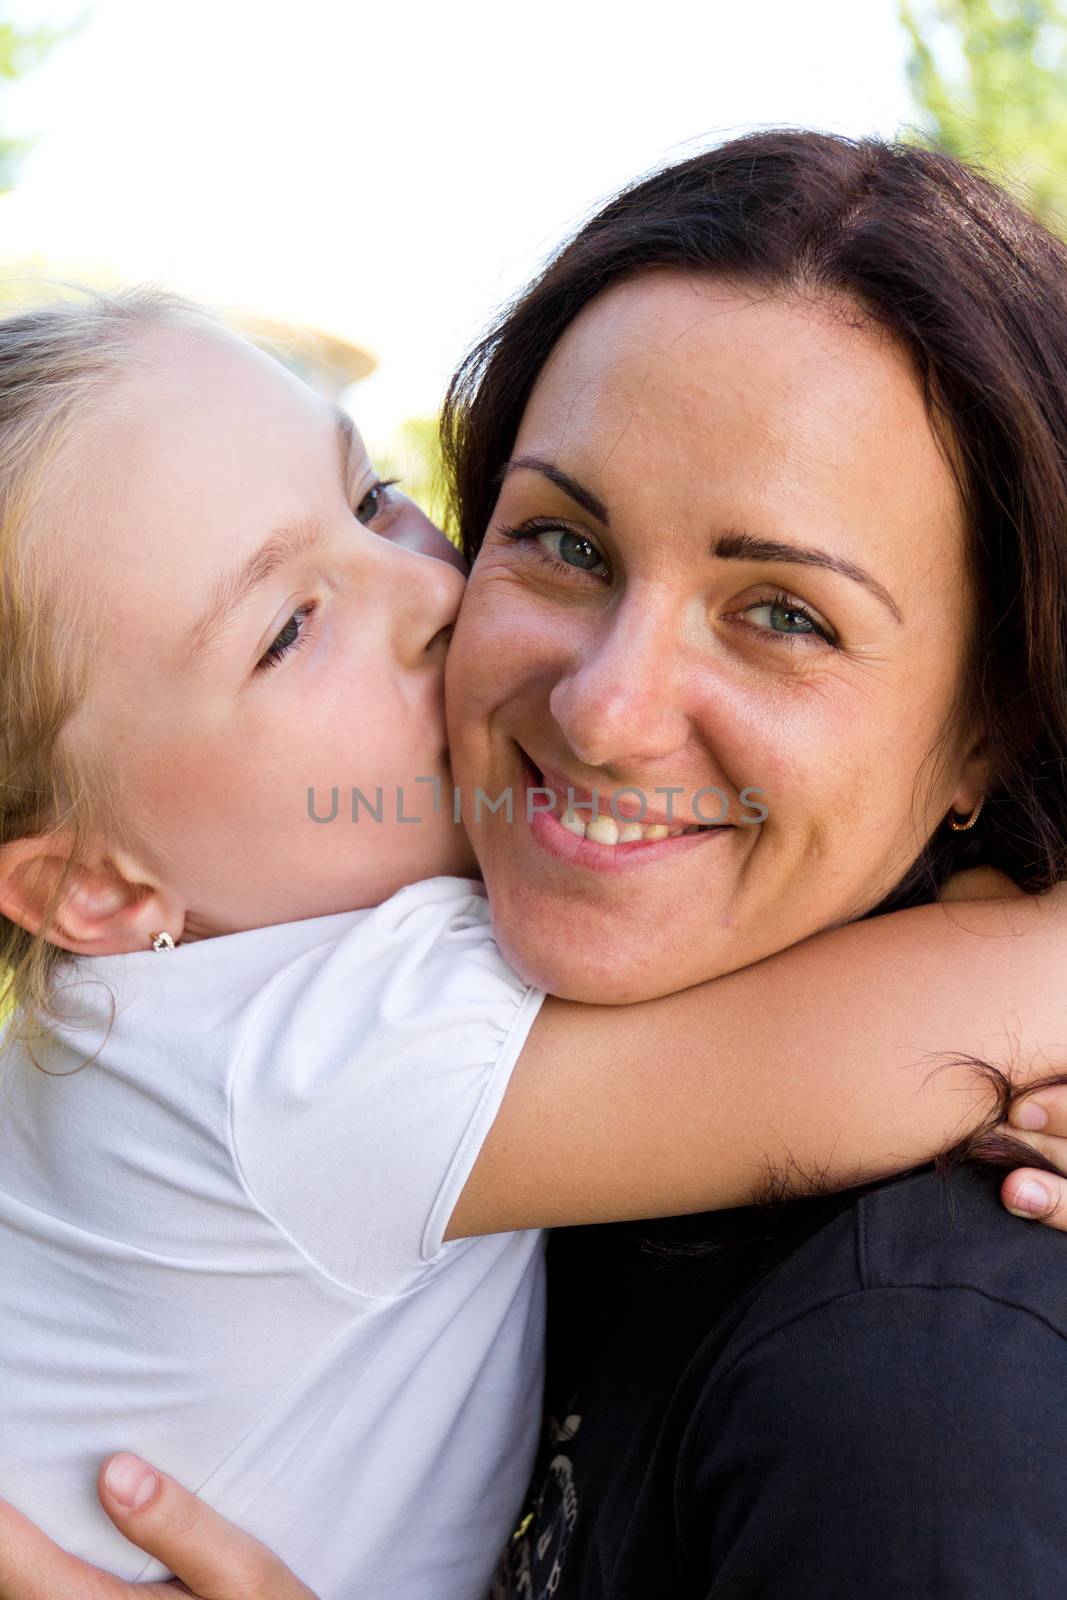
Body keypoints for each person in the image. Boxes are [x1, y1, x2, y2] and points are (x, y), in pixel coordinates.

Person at [2, 125, 1067, 1599]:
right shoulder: (313, 1051)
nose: (427, 595)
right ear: (96, 894)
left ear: (987, 730)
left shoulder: (913, 1387)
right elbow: (980, 1005)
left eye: (373, 502)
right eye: (561, 539)